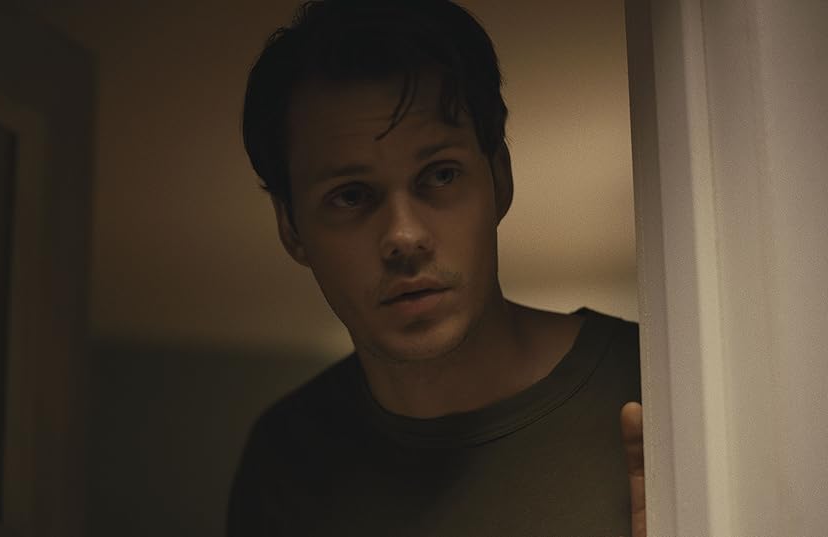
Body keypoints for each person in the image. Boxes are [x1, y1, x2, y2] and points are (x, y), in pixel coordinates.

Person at [229, 0, 645, 535]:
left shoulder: (656, 384)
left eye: (441, 175)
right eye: (351, 196)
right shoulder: (287, 458)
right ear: (291, 227)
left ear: (499, 179)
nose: (404, 236)